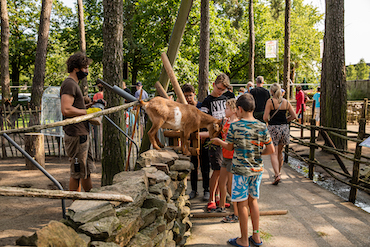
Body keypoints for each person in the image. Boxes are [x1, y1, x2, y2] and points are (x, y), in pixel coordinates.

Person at [211, 93, 274, 247]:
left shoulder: (235, 126)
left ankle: (244, 240)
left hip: (240, 172)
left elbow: (229, 147)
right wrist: (258, 152)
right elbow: (271, 149)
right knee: (253, 202)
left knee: (242, 204)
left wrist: (219, 141)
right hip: (257, 170)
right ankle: (256, 237)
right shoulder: (261, 126)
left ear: (239, 109)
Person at [60, 52, 98, 192]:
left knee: (85, 170)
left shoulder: (74, 84)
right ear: (76, 68)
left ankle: (90, 200)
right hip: (75, 134)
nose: (87, 71)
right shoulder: (69, 84)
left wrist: (90, 106)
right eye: (85, 68)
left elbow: (75, 107)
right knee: (77, 172)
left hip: (82, 133)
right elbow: (66, 109)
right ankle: (75, 205)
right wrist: (86, 113)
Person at [199, 73, 230, 207]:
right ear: (213, 85)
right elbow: (204, 122)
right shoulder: (207, 101)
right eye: (219, 88)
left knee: (225, 171)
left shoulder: (228, 97)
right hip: (215, 140)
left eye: (223, 90)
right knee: (217, 170)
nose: (220, 92)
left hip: (228, 139)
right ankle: (212, 198)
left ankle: (219, 197)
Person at [263, 83, 297, 185]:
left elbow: (265, 117)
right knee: (280, 152)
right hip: (284, 128)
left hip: (273, 128)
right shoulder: (286, 102)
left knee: (273, 152)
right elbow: (294, 115)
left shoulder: (270, 101)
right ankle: (279, 172)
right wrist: (286, 120)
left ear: (271, 92)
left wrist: (269, 121)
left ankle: (277, 174)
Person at [217, 98, 239, 223]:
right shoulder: (226, 122)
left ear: (234, 110)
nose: (224, 110)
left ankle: (236, 212)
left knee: (231, 186)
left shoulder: (236, 124)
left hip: (232, 157)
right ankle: (222, 205)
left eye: (226, 108)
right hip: (225, 156)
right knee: (222, 182)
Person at [182, 83, 204, 200]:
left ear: (194, 94)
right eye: (186, 96)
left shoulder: (201, 106)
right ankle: (194, 190)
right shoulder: (183, 108)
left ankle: (207, 190)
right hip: (190, 142)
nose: (188, 98)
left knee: (205, 166)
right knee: (193, 166)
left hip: (202, 139)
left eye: (190, 95)